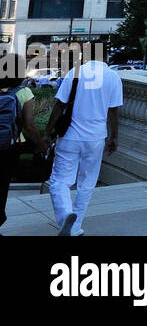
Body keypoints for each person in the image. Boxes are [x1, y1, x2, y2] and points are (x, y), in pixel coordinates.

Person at [44, 57, 123, 236]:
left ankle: (66, 215)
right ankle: (75, 225)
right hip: (96, 138)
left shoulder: (75, 73)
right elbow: (113, 110)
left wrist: (48, 132)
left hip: (70, 136)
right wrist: (114, 137)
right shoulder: (113, 77)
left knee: (59, 180)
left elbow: (60, 104)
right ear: (106, 57)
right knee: (87, 182)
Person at [1, 74, 44, 232]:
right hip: (10, 146)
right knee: (3, 185)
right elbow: (30, 126)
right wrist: (40, 144)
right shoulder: (24, 92)